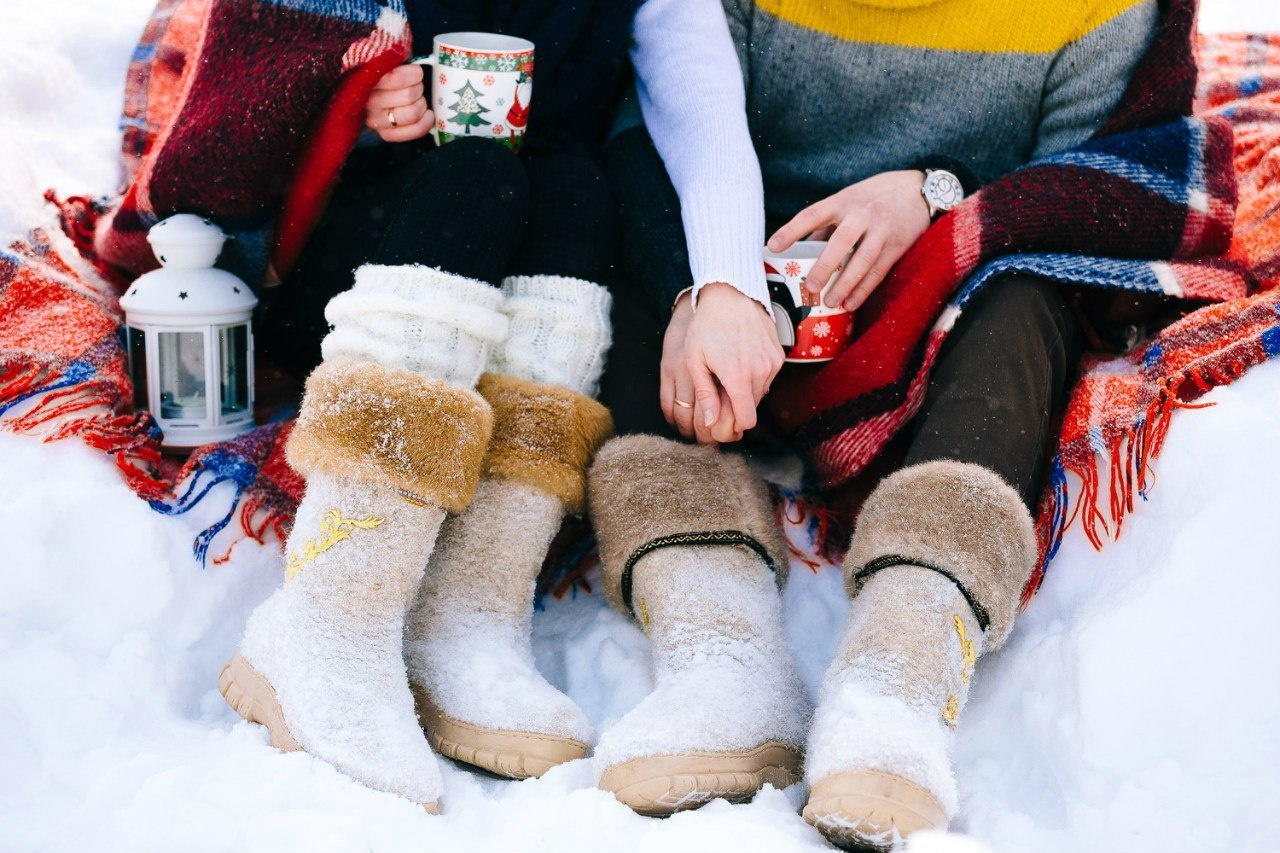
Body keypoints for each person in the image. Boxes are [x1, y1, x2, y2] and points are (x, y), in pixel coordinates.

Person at [588, 0, 1159, 843]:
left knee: (1026, 301)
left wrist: (935, 191)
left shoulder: (1099, 11)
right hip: (744, 267)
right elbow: (656, 123)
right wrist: (703, 286)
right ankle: (719, 650)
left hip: (945, 289)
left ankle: (903, 671)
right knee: (625, 296)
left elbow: (1095, 191)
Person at [218, 0, 640, 809]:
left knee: (576, 186)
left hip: (506, 264)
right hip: (350, 253)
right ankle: (329, 614)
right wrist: (358, 108)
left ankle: (467, 607)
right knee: (479, 173)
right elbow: (252, 83)